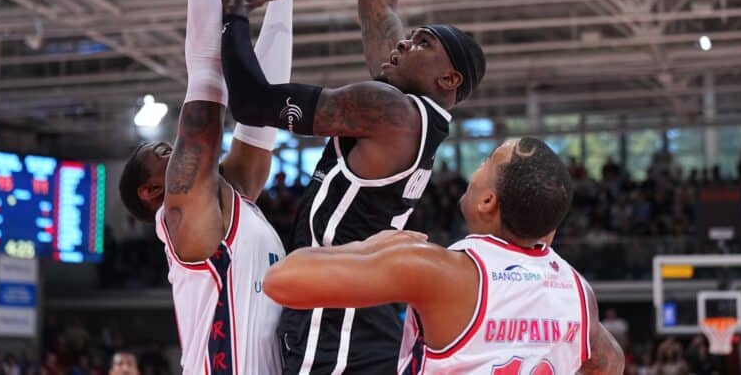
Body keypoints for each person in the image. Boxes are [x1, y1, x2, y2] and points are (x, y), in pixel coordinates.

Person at [220, 0, 487, 373]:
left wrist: (233, 15)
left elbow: (251, 101)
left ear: (449, 78)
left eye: (423, 42)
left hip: (336, 325)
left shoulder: (390, 111)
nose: (405, 41)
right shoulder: (411, 112)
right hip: (355, 315)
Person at [117, 0, 302, 375]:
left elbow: (265, 107)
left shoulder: (235, 200)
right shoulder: (182, 216)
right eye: (164, 154)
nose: (175, 149)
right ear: (154, 193)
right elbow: (205, 85)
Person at [262, 137, 624, 374]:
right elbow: (611, 363)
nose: (477, 167)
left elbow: (281, 280)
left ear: (488, 202)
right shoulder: (577, 292)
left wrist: (373, 245)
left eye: (487, 161)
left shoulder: (442, 271)